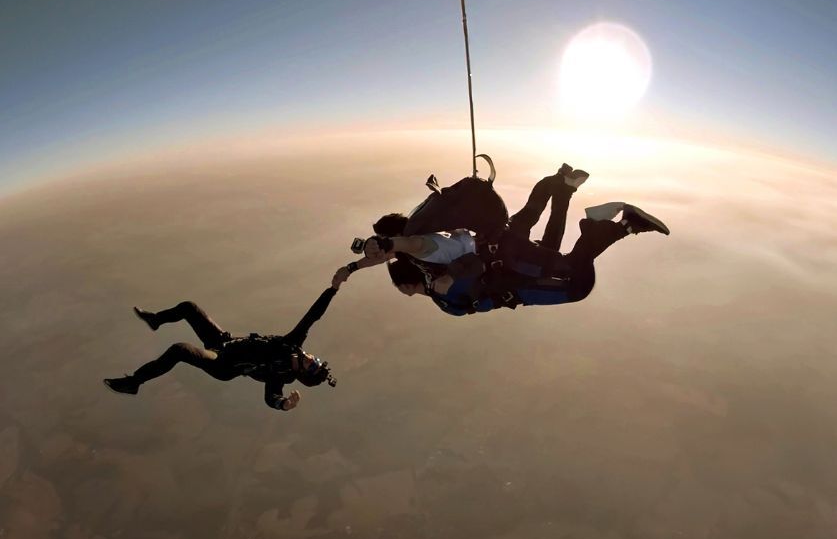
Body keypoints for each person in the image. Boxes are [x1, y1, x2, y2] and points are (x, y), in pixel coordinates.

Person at [331, 163, 591, 291]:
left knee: (560, 263)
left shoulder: (417, 243)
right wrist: (351, 268)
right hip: (498, 234)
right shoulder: (421, 225)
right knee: (532, 213)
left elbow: (399, 246)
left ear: (394, 236)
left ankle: (596, 222)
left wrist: (385, 244)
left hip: (501, 250)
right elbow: (384, 255)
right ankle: (559, 180)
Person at [384, 200, 669, 316]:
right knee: (572, 267)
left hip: (517, 282)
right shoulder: (435, 274)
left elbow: (474, 267)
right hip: (512, 275)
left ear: (406, 286)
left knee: (577, 285)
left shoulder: (440, 286)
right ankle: (624, 226)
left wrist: (449, 276)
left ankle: (602, 225)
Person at [103, 288, 338, 412]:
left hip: (223, 364)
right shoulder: (293, 344)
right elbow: (313, 316)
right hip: (225, 342)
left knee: (179, 350)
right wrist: (334, 288)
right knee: (189, 307)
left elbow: (271, 397)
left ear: (303, 373)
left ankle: (134, 382)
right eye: (317, 360)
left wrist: (284, 405)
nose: (312, 359)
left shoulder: (280, 374)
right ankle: (156, 320)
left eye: (313, 366)